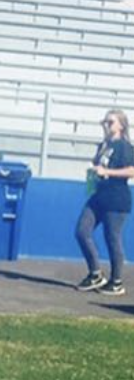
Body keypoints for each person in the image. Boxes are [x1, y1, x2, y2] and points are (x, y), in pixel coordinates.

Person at [74, 108, 134, 298]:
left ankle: (116, 281)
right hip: (99, 196)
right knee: (82, 231)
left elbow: (132, 170)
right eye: (104, 122)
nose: (106, 125)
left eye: (110, 122)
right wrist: (93, 172)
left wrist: (107, 172)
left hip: (116, 198)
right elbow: (98, 167)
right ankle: (95, 273)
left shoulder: (124, 146)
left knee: (112, 238)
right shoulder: (104, 145)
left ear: (121, 126)